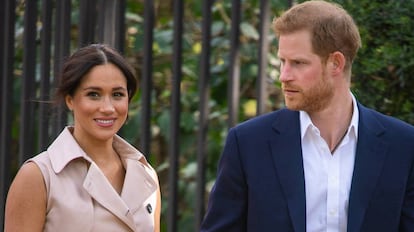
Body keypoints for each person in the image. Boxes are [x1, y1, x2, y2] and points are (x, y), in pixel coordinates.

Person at [200, 1, 414, 231]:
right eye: (283, 61)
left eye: (298, 63)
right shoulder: (248, 144)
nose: (284, 76)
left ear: (336, 63)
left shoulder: (402, 145)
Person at [4, 44, 161, 232]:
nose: (108, 108)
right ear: (70, 100)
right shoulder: (38, 176)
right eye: (93, 95)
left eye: (117, 94)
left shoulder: (145, 174)